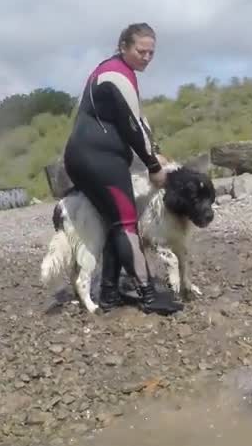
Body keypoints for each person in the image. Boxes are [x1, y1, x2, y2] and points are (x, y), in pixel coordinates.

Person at [62, 22, 182, 316]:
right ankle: (149, 294)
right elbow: (133, 127)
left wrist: (154, 152)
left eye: (151, 53)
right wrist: (154, 166)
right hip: (99, 159)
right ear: (124, 47)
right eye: (141, 51)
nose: (147, 57)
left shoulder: (109, 71)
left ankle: (110, 293)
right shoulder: (118, 75)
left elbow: (138, 123)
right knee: (127, 223)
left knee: (115, 222)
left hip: (87, 156)